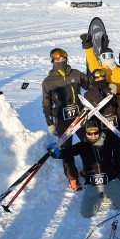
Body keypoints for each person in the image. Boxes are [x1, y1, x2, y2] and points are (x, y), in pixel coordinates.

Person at [47, 121, 120, 217]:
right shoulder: (81, 146)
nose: (93, 136)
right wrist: (57, 154)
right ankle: (99, 195)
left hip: (110, 180)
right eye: (90, 133)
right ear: (86, 134)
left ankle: (112, 190)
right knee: (86, 214)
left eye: (96, 133)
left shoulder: (108, 142)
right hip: (92, 183)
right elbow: (67, 152)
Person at [42, 48, 90, 191]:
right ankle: (73, 178)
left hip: (80, 116)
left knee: (88, 143)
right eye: (57, 59)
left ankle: (87, 170)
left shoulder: (76, 74)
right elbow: (46, 103)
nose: (60, 61)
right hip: (62, 119)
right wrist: (49, 122)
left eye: (63, 58)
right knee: (66, 149)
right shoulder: (48, 81)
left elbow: (89, 85)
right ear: (53, 61)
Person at [82, 69, 120, 180]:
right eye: (97, 77)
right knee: (104, 152)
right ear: (93, 78)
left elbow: (118, 106)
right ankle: (108, 172)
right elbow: (87, 112)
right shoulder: (88, 94)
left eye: (102, 77)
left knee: (118, 151)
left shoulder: (111, 89)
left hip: (114, 125)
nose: (100, 79)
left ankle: (118, 171)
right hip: (100, 128)